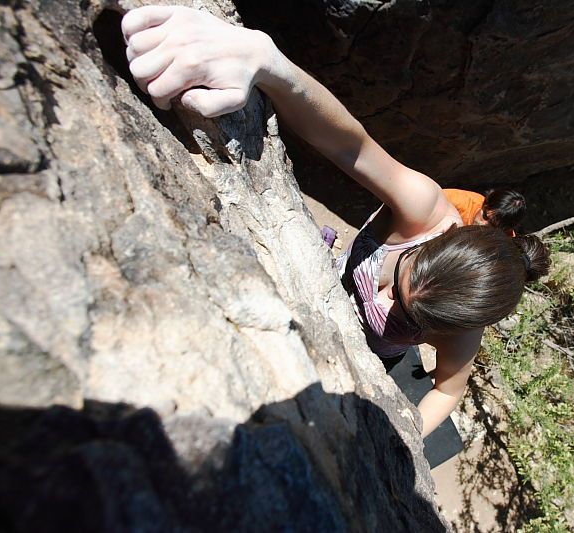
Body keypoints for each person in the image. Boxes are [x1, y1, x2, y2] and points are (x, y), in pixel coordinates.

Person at [121, 6, 550, 438]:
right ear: (438, 239)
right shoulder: (423, 209)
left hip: (367, 357)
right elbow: (351, 145)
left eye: (406, 313)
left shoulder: (463, 336)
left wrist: (409, 436)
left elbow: (448, 391)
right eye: (397, 283)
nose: (381, 305)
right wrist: (267, 64)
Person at [443, 188, 526, 236]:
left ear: (504, 229)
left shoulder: (507, 240)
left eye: (492, 225)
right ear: (484, 204)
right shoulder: (457, 200)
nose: (483, 224)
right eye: (485, 216)